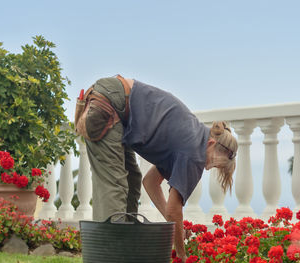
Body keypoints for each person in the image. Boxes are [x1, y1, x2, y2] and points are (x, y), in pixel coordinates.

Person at [84, 75, 238, 262]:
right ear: (211, 144)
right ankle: (108, 257)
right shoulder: (194, 153)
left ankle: (124, 255)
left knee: (132, 183)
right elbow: (174, 210)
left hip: (115, 103)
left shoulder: (193, 138)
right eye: (213, 163)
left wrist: (172, 222)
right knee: (114, 187)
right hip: (110, 104)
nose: (208, 168)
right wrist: (181, 255)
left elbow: (150, 183)